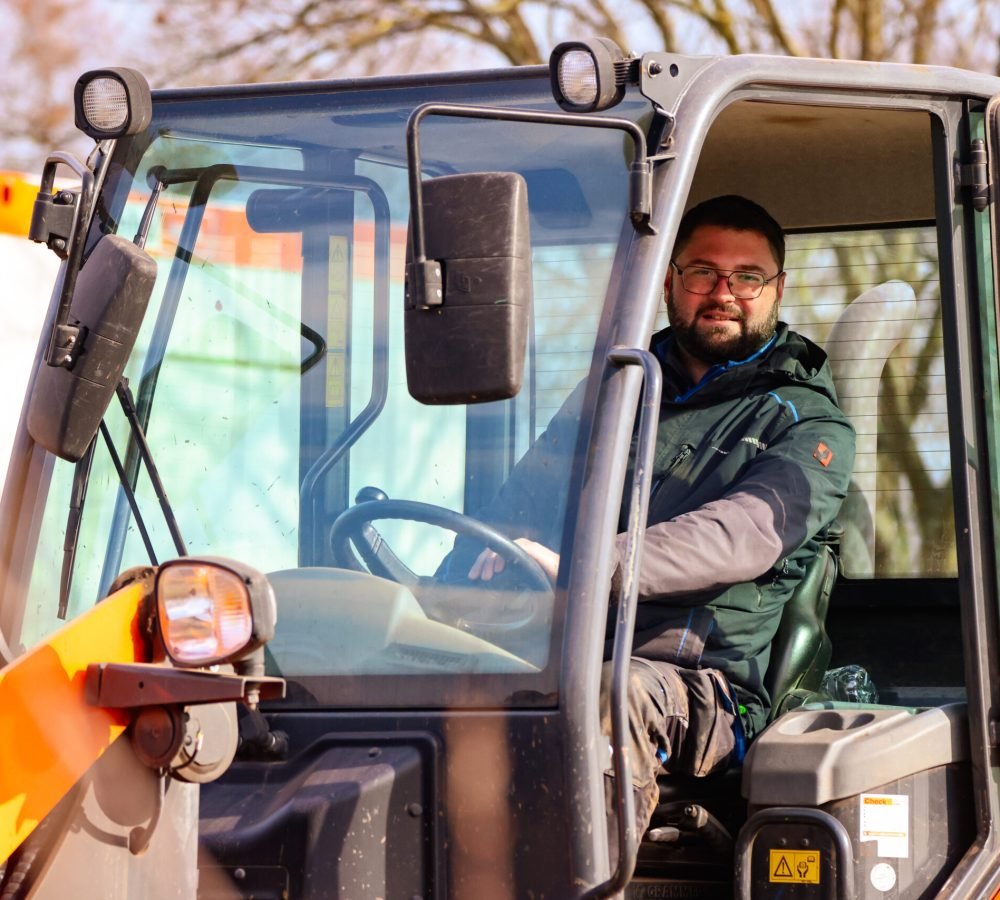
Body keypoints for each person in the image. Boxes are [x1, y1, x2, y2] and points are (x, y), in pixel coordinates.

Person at [464, 194, 856, 838]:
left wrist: (591, 566)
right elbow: (521, 504)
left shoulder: (807, 423)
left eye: (747, 277)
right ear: (671, 280)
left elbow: (742, 537)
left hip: (699, 688)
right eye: (703, 272)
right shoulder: (616, 392)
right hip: (555, 651)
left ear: (777, 288)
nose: (723, 292)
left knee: (603, 699)